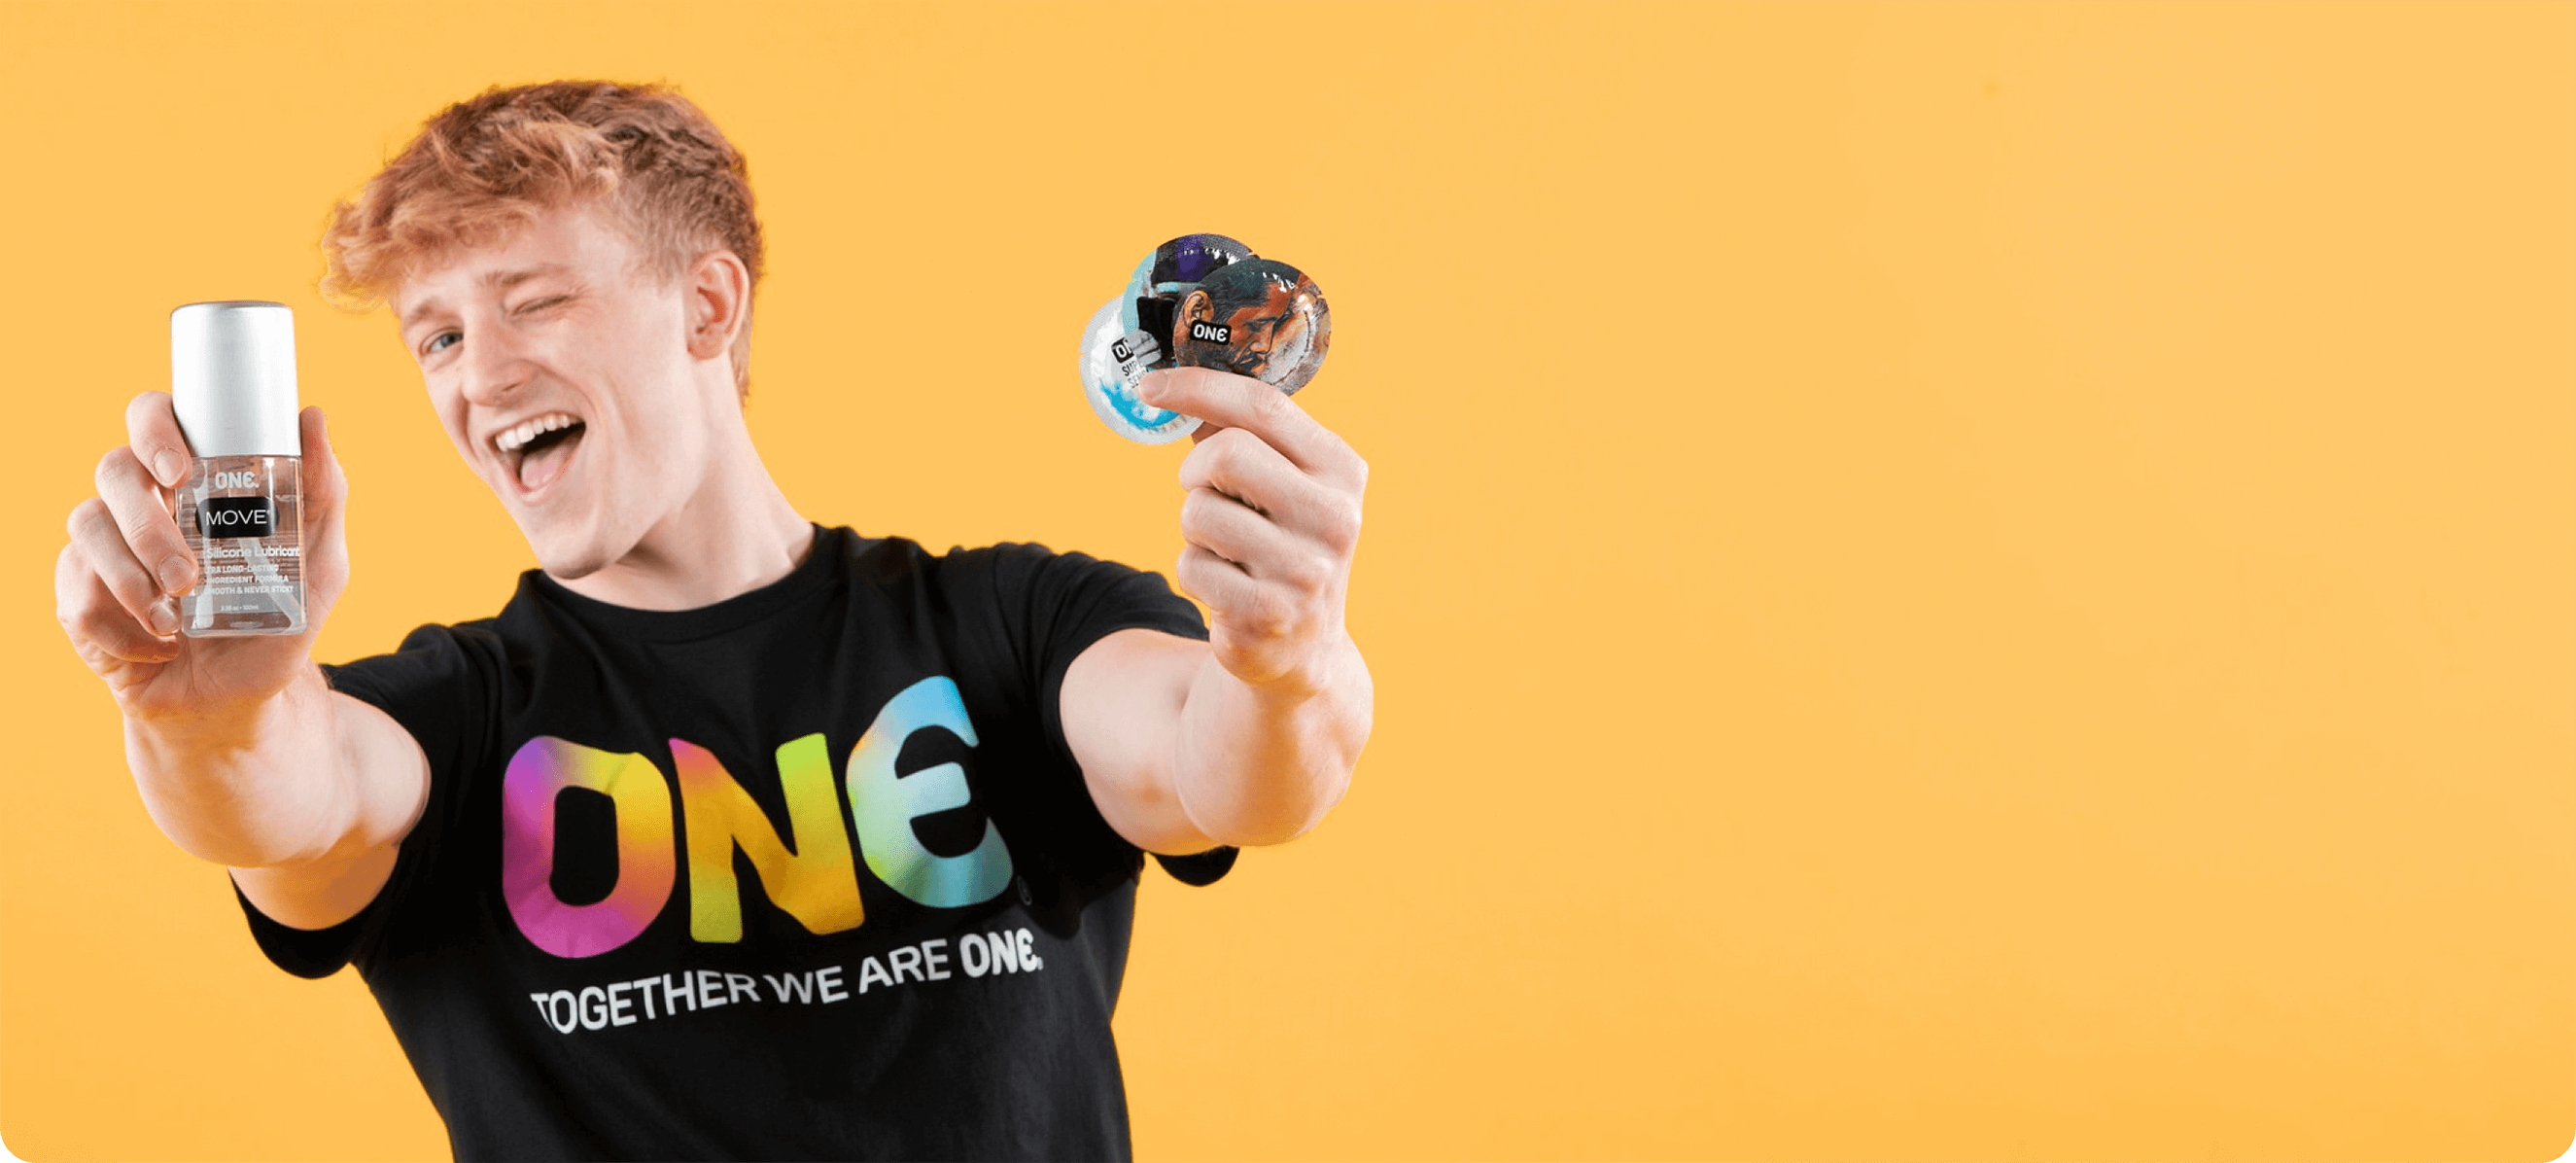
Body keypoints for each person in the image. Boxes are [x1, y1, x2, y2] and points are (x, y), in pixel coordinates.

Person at [53, 80, 1372, 1162]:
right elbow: (283, 796)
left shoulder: (1016, 623)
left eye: (532, 301)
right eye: (438, 339)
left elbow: (1236, 770)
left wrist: (1286, 656)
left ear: (706, 306)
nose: (482, 376)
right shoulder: (448, 719)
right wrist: (209, 719)